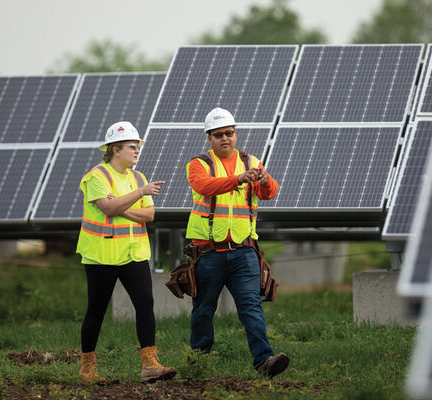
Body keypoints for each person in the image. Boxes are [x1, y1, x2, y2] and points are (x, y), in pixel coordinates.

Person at [185, 107, 289, 378]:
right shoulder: (199, 163)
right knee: (204, 309)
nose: (224, 138)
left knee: (251, 306)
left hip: (244, 251)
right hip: (208, 252)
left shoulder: (252, 161)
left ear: (235, 132)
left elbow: (270, 193)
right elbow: (204, 186)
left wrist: (265, 180)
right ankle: (199, 363)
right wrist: (238, 179)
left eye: (229, 133)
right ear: (209, 138)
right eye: (218, 134)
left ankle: (265, 361)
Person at [76, 121, 176, 384]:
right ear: (116, 148)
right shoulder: (97, 176)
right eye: (133, 146)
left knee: (145, 305)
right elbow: (107, 210)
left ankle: (149, 365)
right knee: (96, 310)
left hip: (134, 253)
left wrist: (121, 206)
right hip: (102, 254)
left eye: (138, 146)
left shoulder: (138, 177)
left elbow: (149, 214)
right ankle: (87, 369)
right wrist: (138, 195)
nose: (137, 150)